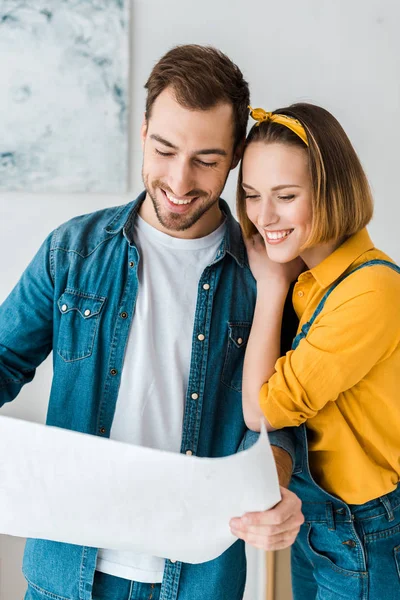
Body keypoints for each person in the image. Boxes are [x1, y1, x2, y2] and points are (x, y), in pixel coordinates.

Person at [0, 46, 303, 600]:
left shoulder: (269, 280)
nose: (180, 180)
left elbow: (281, 421)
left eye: (206, 160)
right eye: (165, 149)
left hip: (197, 580)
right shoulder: (74, 251)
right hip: (65, 575)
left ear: (236, 155)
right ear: (143, 131)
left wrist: (277, 491)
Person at [237, 102, 400, 599]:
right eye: (250, 195)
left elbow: (260, 408)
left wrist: (270, 288)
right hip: (319, 525)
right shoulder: (308, 281)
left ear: (332, 193)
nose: (264, 217)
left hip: (369, 533)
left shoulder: (370, 291)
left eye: (285, 196)